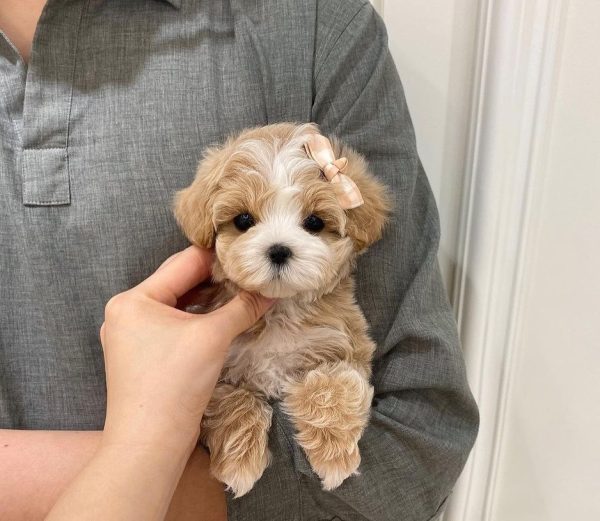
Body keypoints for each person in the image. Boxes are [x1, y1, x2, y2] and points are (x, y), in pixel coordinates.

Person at [0, 1, 479, 520]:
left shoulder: (315, 27)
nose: (276, 242)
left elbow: (410, 449)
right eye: (245, 222)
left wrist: (129, 465)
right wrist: (151, 461)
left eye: (313, 223)